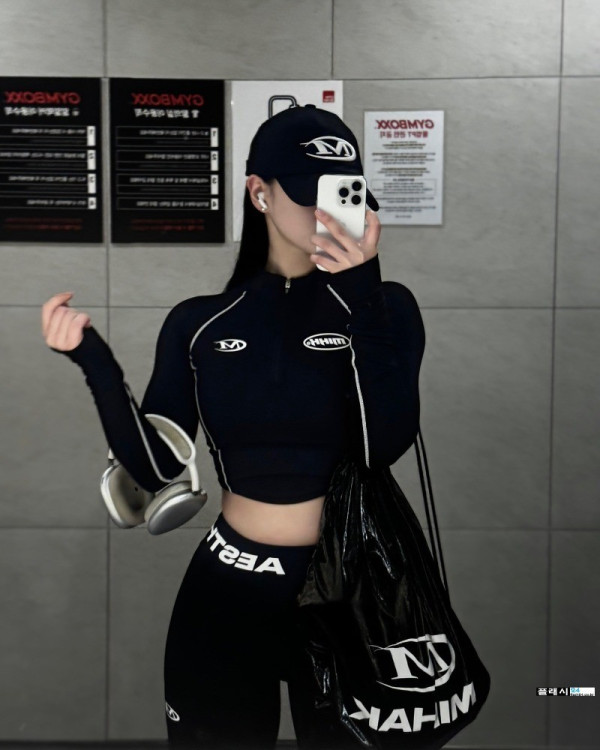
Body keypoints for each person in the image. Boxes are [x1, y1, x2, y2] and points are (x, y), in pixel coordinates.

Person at [41, 104, 426, 749]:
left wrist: (363, 292)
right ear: (259, 192)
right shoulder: (199, 323)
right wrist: (95, 362)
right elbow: (157, 470)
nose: (327, 213)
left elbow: (381, 445)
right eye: (307, 194)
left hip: (350, 588)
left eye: (341, 193)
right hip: (230, 583)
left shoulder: (386, 306)